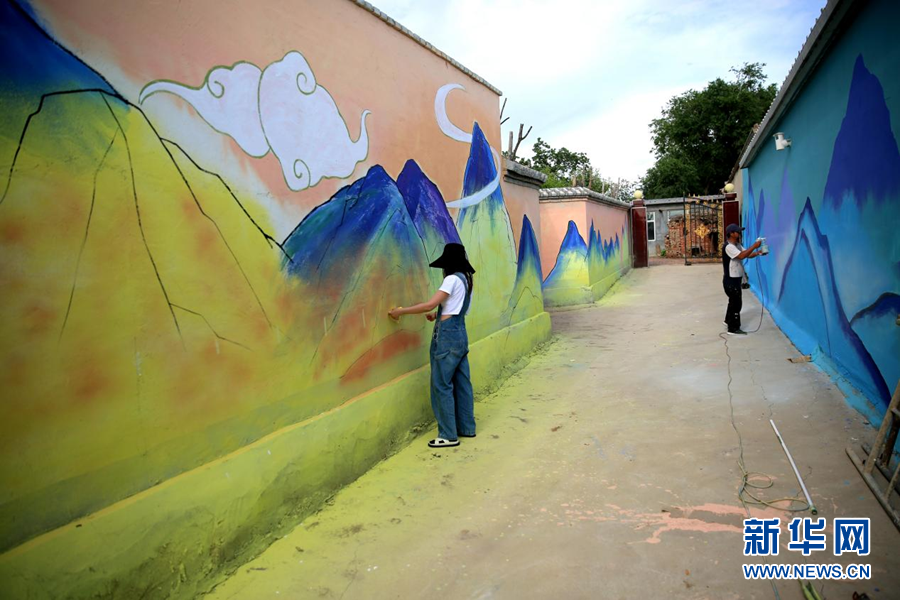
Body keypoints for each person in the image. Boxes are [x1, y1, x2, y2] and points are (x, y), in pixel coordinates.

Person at [388, 243, 475, 448]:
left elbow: (429, 303)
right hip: (460, 334)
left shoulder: (451, 279)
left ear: (448, 263)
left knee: (441, 385)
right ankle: (466, 428)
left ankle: (448, 435)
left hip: (446, 337)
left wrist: (400, 312)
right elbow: (457, 308)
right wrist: (437, 315)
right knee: (462, 384)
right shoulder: (466, 280)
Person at [723, 223, 763, 335]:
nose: (739, 233)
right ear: (731, 233)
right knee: (736, 303)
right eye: (737, 232)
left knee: (733, 302)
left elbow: (747, 254)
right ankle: (733, 328)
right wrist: (755, 245)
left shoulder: (737, 245)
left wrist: (758, 253)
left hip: (735, 279)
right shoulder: (729, 247)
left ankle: (728, 321)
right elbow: (741, 256)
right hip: (731, 280)